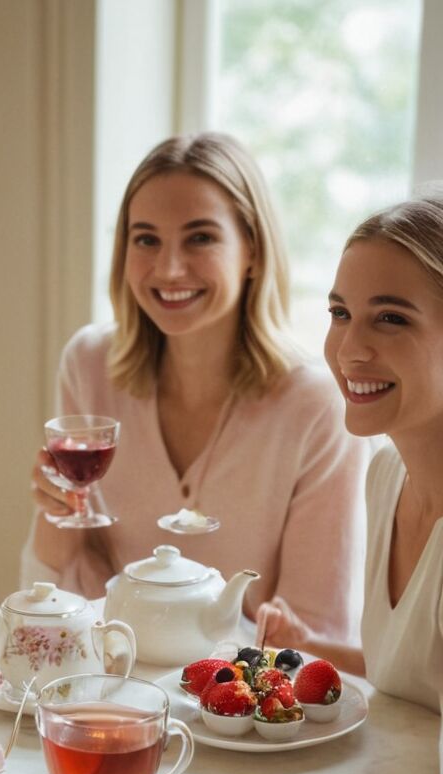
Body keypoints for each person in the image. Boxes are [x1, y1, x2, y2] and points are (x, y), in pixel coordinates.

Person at [212, 190, 443, 774]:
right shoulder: (388, 476)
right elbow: (422, 667)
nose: (349, 346)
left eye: (391, 319)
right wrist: (322, 648)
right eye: (341, 311)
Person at [25, 133, 367, 639]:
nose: (168, 269)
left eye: (200, 237)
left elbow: (313, 632)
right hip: (117, 683)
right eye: (146, 239)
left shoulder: (316, 405)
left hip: (245, 700)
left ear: (252, 249)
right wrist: (54, 516)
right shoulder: (89, 364)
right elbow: (59, 596)